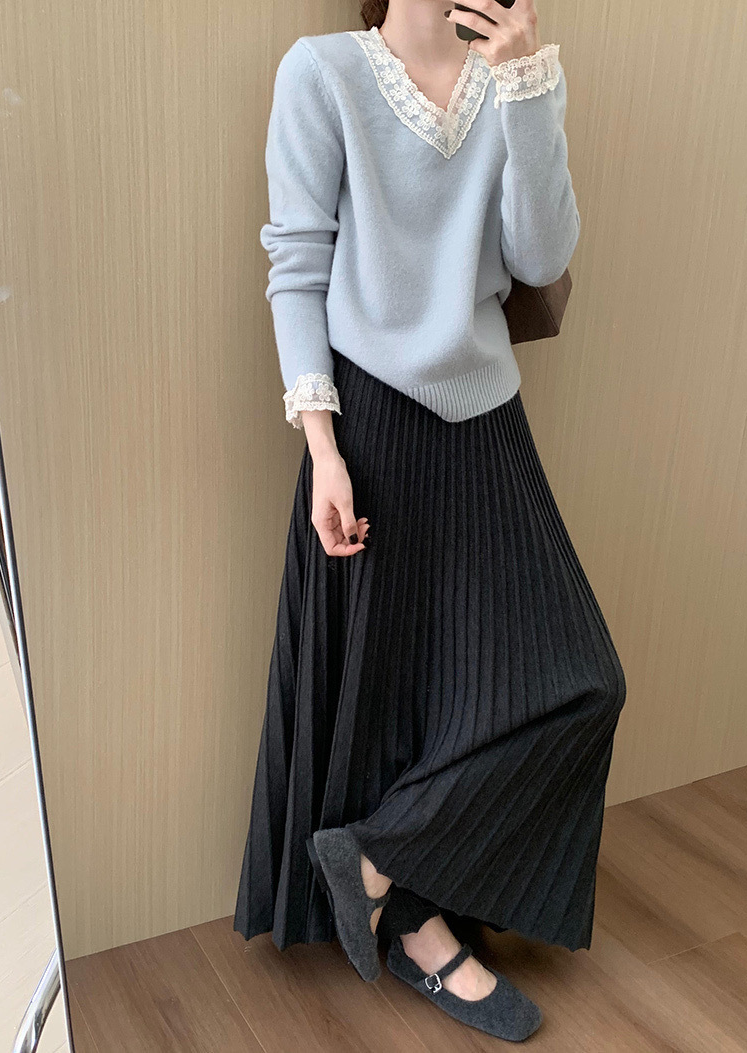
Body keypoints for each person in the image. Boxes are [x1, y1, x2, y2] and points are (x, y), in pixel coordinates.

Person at [234, 0, 627, 1041]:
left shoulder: (515, 77)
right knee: (394, 694)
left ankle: (374, 857)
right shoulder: (322, 73)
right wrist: (323, 451)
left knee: (583, 682)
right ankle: (413, 921)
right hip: (368, 424)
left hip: (488, 417)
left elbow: (540, 257)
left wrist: (528, 85)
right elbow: (296, 265)